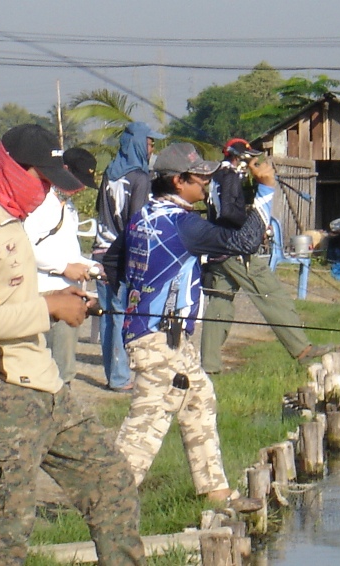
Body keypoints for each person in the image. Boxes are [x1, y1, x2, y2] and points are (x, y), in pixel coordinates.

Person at [0, 124, 144, 566]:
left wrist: (63, 301)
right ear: (10, 168)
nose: (45, 192)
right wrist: (51, 308)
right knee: (6, 530)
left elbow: (17, 300)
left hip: (48, 388)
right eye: (41, 180)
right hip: (0, 394)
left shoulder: (15, 223)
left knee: (112, 481)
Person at [107, 142, 276, 502]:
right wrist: (265, 189)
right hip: (156, 338)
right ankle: (108, 500)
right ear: (178, 181)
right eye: (200, 178)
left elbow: (112, 261)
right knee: (146, 425)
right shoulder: (183, 224)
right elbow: (246, 241)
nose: (206, 185)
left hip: (161, 335)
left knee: (199, 398)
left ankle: (214, 491)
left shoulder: (143, 216)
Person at [200, 138, 330, 374]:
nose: (254, 163)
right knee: (272, 294)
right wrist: (252, 226)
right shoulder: (229, 177)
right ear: (238, 157)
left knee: (221, 302)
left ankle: (209, 365)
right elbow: (228, 212)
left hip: (219, 248)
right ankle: (301, 349)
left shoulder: (218, 176)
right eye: (250, 158)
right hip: (234, 249)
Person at [93, 122, 165, 391]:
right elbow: (138, 222)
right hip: (121, 254)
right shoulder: (140, 178)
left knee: (109, 315)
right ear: (137, 144)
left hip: (100, 250)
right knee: (122, 315)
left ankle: (113, 375)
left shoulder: (110, 173)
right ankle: (121, 378)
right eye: (149, 142)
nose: (152, 148)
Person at [23, 147, 103, 382]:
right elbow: (25, 248)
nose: (79, 188)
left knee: (65, 365)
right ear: (64, 171)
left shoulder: (68, 206)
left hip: (71, 291)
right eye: (77, 180)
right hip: (45, 290)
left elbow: (69, 250)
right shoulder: (40, 203)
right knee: (53, 368)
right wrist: (63, 267)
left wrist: (91, 266)